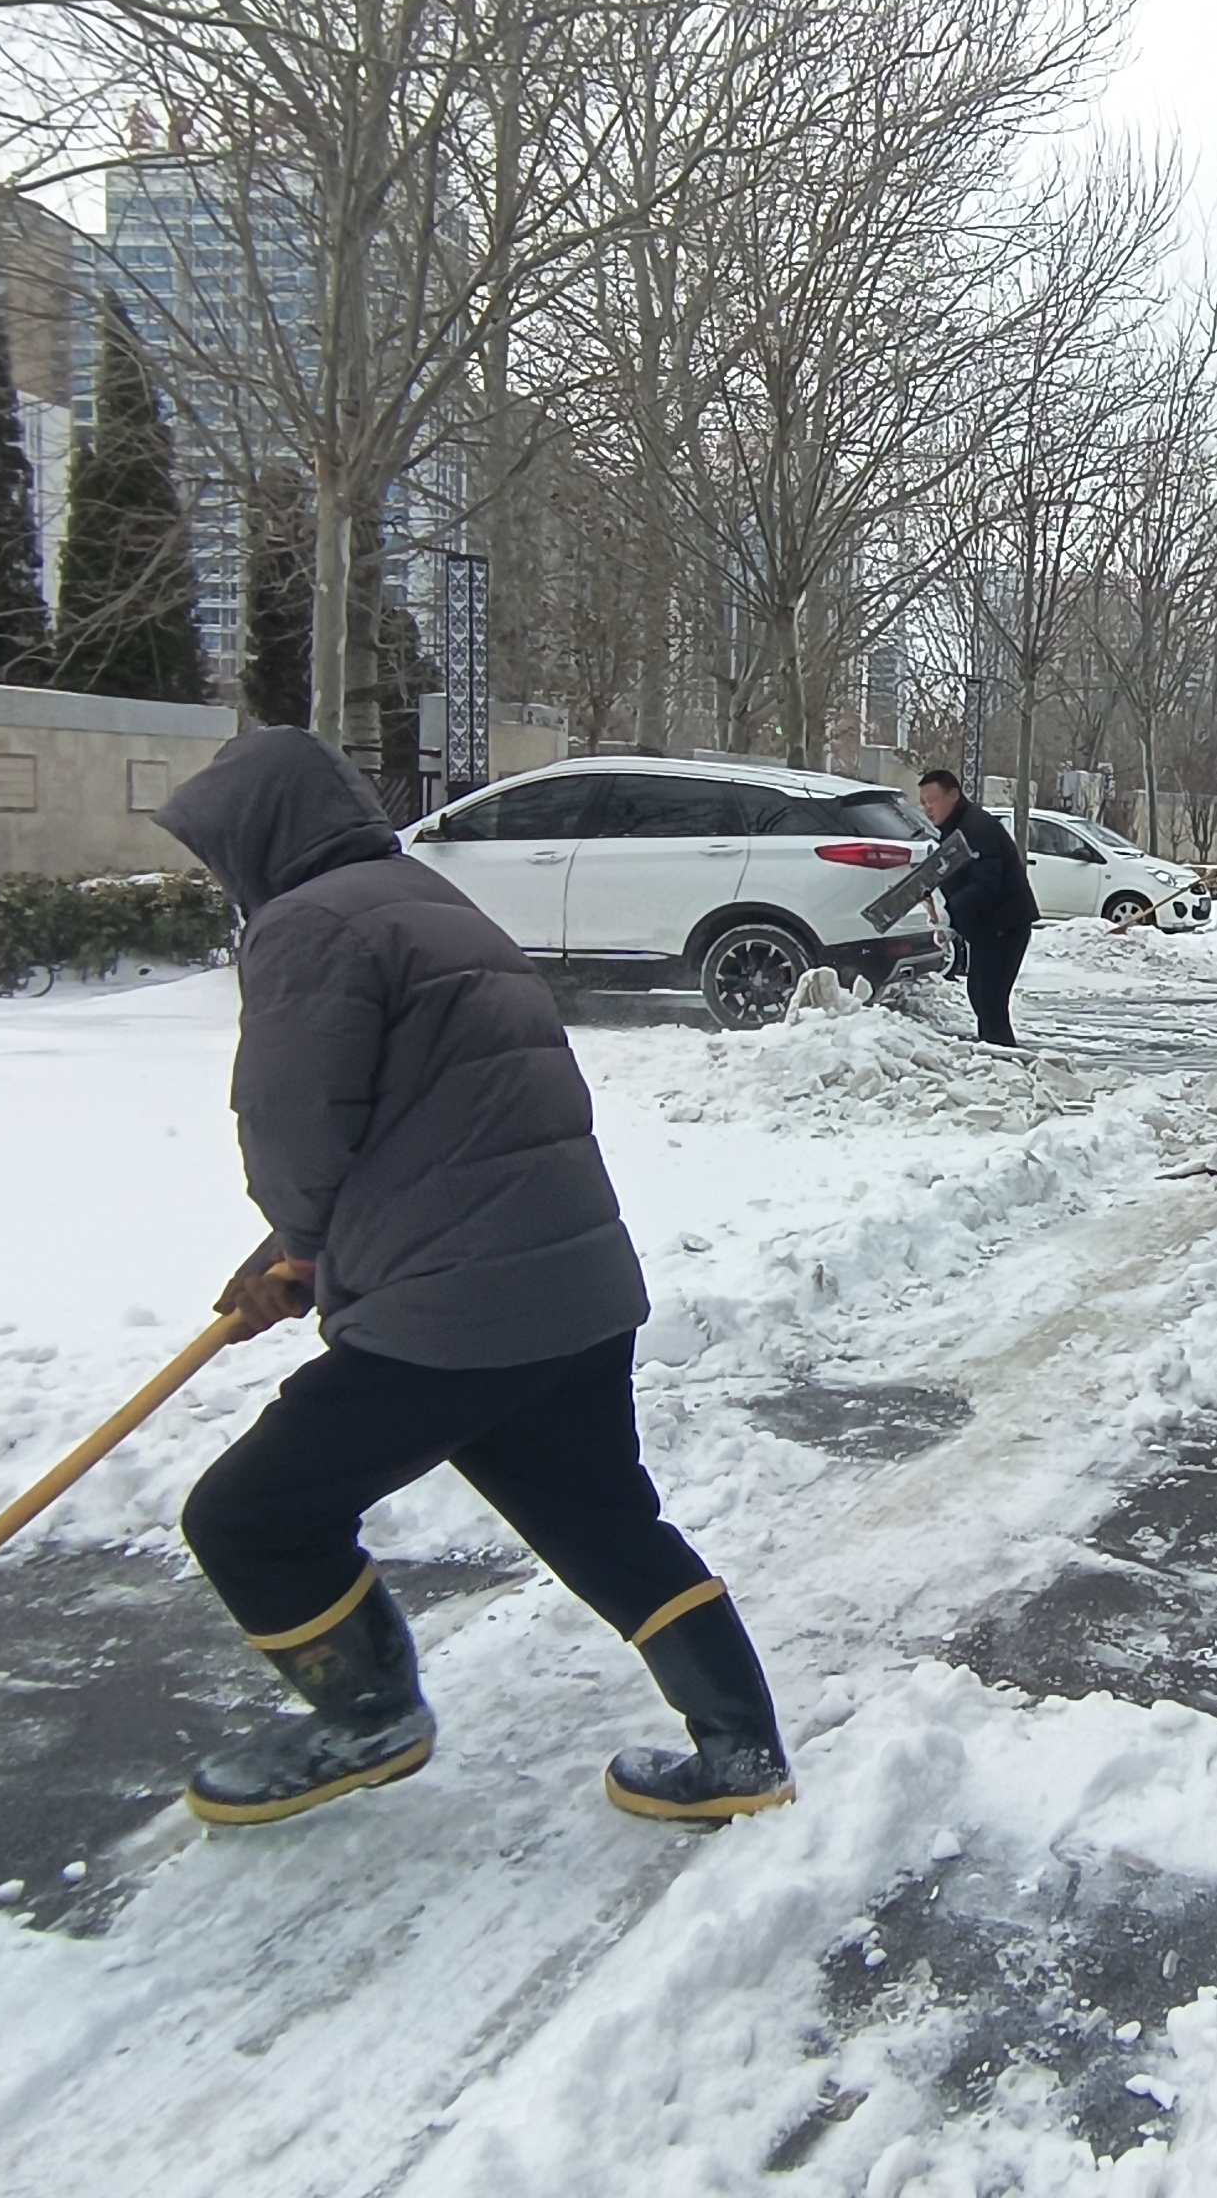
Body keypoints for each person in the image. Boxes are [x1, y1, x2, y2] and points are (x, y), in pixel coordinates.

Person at [152, 727, 792, 1827]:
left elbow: (297, 1125)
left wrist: (299, 1234)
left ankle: (368, 1718)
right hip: (570, 1289)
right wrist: (305, 1247)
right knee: (603, 1520)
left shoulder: (308, 925)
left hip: (455, 1310)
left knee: (250, 1518)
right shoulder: (433, 902)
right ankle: (740, 1749)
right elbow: (438, 1115)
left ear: (258, 838)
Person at [919, 768, 1038, 1048]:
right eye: (922, 802)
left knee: (989, 998)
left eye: (932, 800)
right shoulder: (955, 828)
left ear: (954, 795)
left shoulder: (976, 827)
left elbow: (986, 881)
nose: (927, 809)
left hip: (1005, 926)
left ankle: (1002, 1057)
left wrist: (950, 912)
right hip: (990, 928)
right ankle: (998, 1055)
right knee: (980, 994)